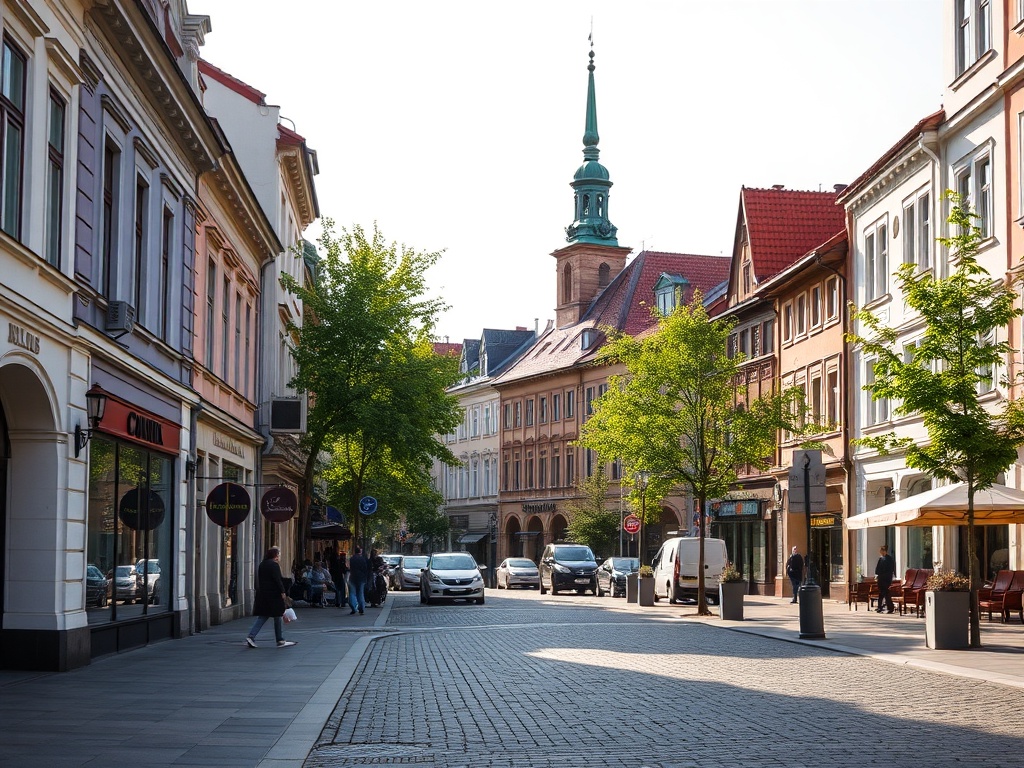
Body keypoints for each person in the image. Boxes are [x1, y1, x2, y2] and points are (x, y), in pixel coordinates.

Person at [246, 546, 297, 648]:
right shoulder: (274, 565)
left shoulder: (262, 564)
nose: (279, 556)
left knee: (263, 616)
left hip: (264, 594)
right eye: (278, 554)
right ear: (275, 555)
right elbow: (278, 580)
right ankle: (280, 639)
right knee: (277, 616)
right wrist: (283, 591)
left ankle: (251, 636)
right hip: (274, 595)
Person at [874, 544, 897, 613]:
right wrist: (877, 575)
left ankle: (890, 607)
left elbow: (890, 569)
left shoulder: (889, 559)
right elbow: (877, 569)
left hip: (886, 578)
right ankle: (880, 607)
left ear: (884, 551)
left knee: (886, 593)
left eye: (881, 551)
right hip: (881, 578)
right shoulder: (881, 559)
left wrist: (886, 576)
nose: (880, 552)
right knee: (881, 593)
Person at [348, 545, 369, 615]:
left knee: (352, 593)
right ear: (360, 551)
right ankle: (361, 608)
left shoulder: (352, 559)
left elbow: (350, 568)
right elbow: (365, 569)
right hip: (361, 578)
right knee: (360, 593)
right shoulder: (363, 559)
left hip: (353, 576)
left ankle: (353, 607)